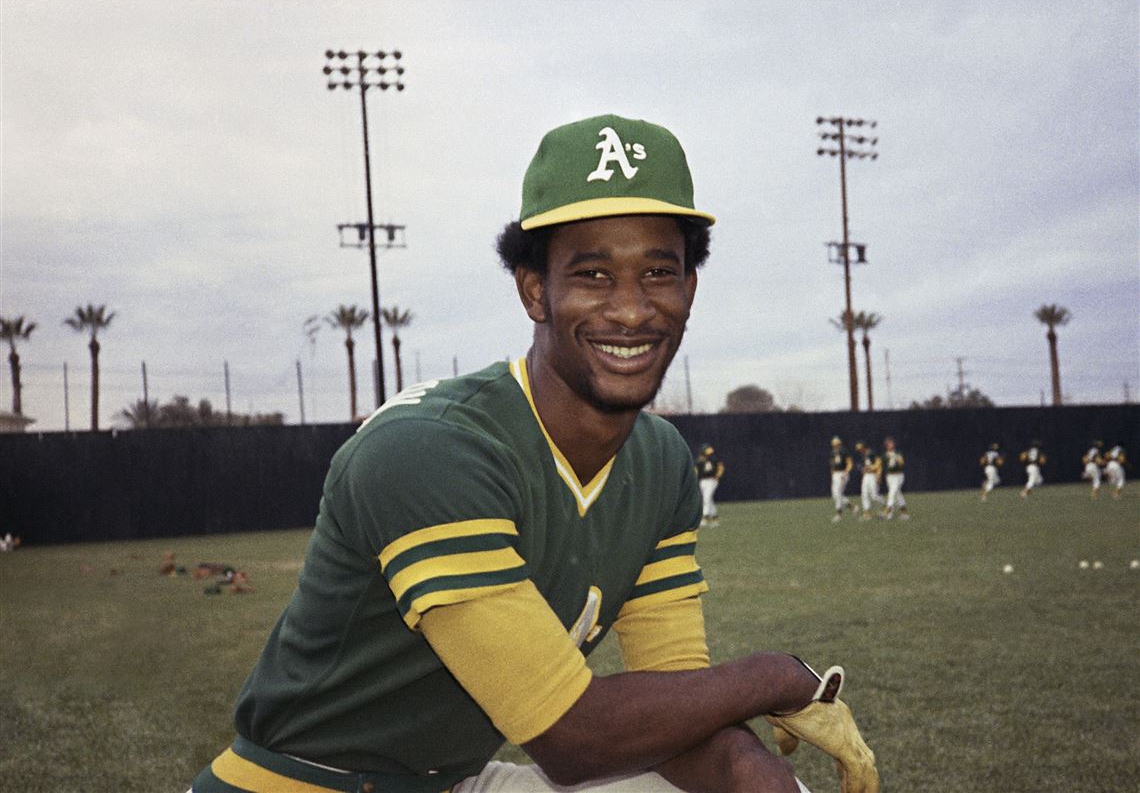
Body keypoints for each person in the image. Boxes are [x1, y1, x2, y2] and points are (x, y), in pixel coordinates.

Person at [190, 115, 878, 793]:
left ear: (689, 290)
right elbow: (573, 741)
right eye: (594, 275)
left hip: (452, 781)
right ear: (533, 289)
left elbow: (676, 696)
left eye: (658, 272)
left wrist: (744, 769)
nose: (633, 310)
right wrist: (775, 676)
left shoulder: (660, 460)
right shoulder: (432, 450)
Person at [694, 443, 725, 527]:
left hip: (711, 480)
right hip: (702, 481)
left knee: (706, 498)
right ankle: (715, 518)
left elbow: (720, 467)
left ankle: (705, 517)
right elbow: (696, 471)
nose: (709, 454)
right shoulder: (699, 461)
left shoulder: (713, 459)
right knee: (709, 499)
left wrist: (718, 475)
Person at [881, 436, 909, 520]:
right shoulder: (884, 455)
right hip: (889, 476)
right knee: (897, 494)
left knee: (892, 492)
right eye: (889, 443)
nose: (891, 444)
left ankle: (887, 511)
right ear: (886, 445)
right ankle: (905, 514)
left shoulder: (898, 453)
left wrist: (897, 459)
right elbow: (880, 464)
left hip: (898, 476)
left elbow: (901, 463)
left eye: (892, 443)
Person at [828, 436, 854, 523]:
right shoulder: (832, 453)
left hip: (842, 473)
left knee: (838, 494)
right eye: (834, 444)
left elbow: (850, 463)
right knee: (835, 495)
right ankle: (852, 508)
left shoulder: (844, 451)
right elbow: (832, 465)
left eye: (836, 444)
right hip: (835, 474)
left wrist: (846, 473)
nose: (835, 445)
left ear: (839, 444)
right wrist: (833, 474)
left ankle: (839, 514)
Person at [853, 442, 882, 520]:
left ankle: (887, 506)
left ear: (864, 447)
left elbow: (879, 463)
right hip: (866, 476)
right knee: (864, 494)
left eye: (860, 449)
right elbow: (862, 466)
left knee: (874, 496)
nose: (859, 451)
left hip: (873, 475)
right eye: (858, 450)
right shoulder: (862, 455)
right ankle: (867, 513)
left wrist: (878, 475)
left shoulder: (872, 453)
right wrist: (862, 469)